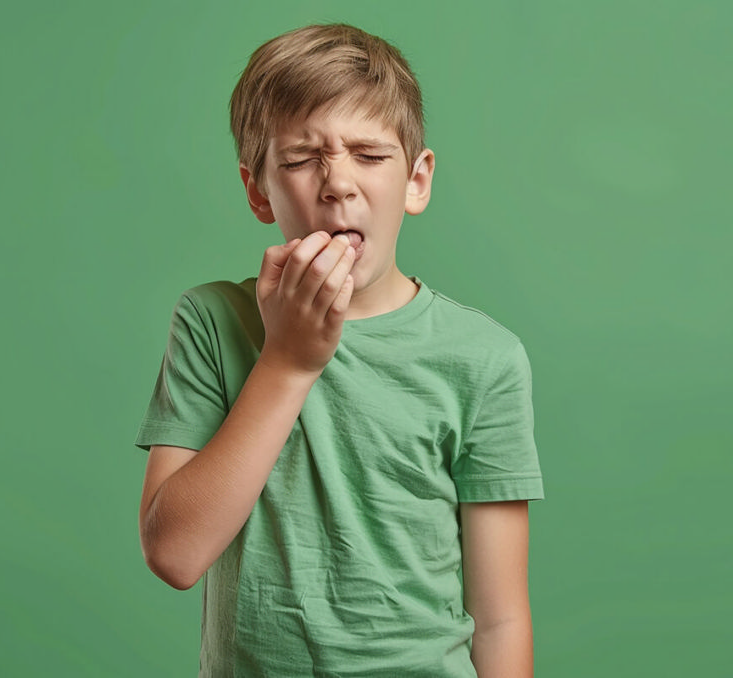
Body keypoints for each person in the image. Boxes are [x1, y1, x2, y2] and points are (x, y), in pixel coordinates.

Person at [135, 23, 543, 677]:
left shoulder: (484, 359)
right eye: (301, 159)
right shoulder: (212, 322)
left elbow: (501, 619)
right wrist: (287, 361)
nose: (338, 184)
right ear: (258, 189)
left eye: (370, 155)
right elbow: (174, 554)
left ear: (416, 180)